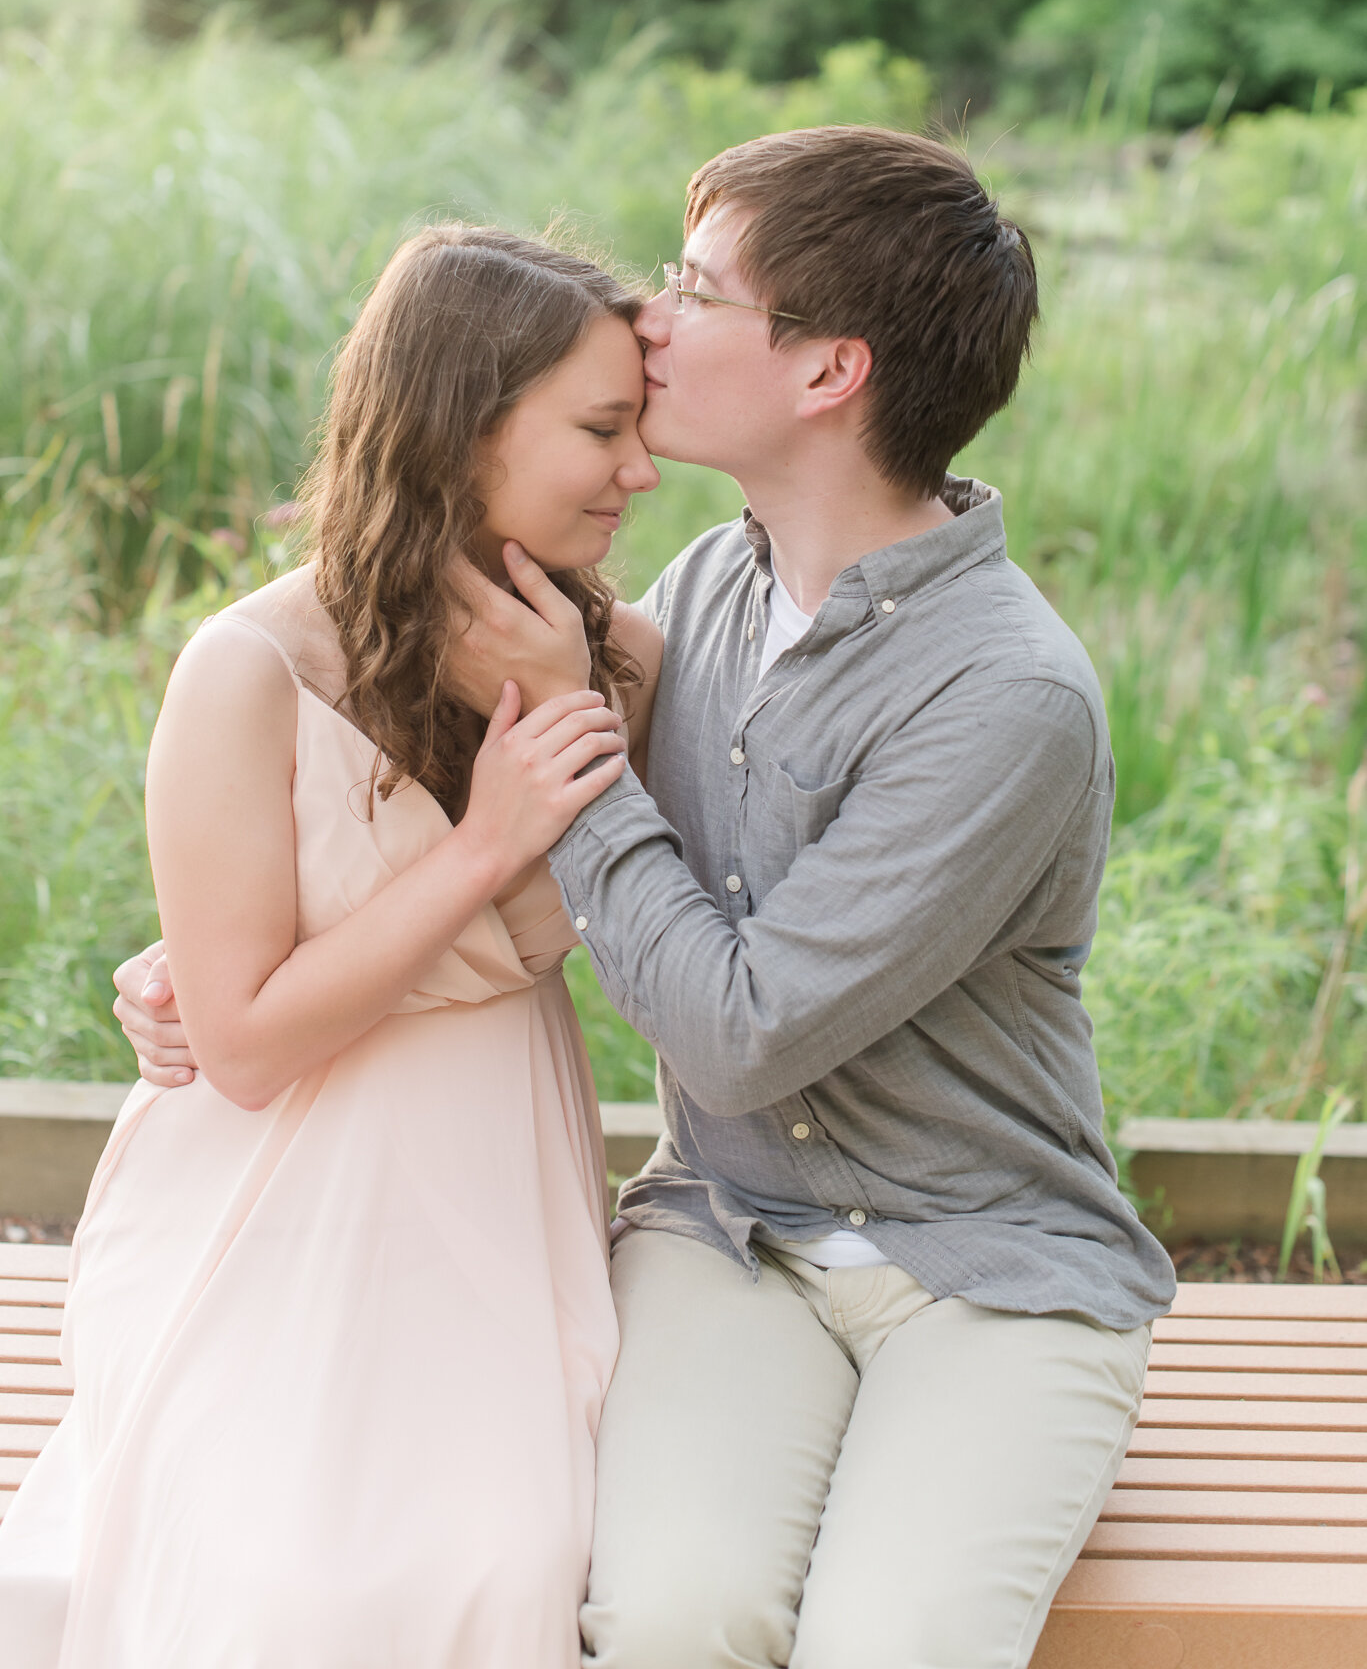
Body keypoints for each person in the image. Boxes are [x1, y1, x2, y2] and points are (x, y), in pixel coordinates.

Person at [114, 127, 1177, 1669]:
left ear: (827, 372)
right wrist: (210, 951)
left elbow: (741, 1030)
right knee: (675, 1619)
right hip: (732, 1236)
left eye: (697, 287)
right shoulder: (695, 603)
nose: (656, 319)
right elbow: (431, 845)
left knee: (896, 1646)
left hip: (987, 1265)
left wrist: (573, 764)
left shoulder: (1007, 695)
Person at [0, 225, 665, 1669]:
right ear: (462, 427)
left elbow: (676, 941)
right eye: (602, 430)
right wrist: (486, 845)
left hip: (496, 1187)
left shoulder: (627, 661)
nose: (642, 470)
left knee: (511, 1561)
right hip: (277, 1195)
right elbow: (239, 1047)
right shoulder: (248, 671)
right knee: (283, 1574)